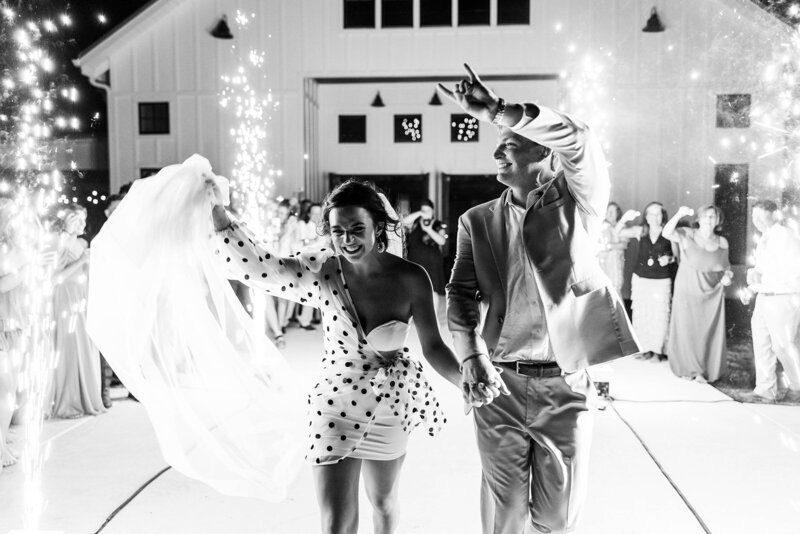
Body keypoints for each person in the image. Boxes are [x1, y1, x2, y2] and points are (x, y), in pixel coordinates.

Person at [438, 64, 639, 534]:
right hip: (498, 383)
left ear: (545, 153)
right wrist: (471, 358)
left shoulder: (580, 202)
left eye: (507, 143)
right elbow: (460, 294)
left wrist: (499, 111)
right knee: (503, 515)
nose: (496, 150)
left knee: (557, 518)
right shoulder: (477, 221)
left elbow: (582, 139)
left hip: (565, 385)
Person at [208, 178, 463, 534]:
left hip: (389, 405)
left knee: (384, 504)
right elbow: (259, 268)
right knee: (337, 525)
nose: (348, 240)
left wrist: (467, 381)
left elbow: (434, 345)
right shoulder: (323, 273)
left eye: (357, 229)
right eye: (338, 231)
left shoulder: (411, 277)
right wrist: (218, 212)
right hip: (334, 405)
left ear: (379, 225)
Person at [663, 205, 732, 383]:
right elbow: (666, 233)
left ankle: (705, 369)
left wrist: (728, 277)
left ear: (718, 220)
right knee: (687, 329)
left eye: (713, 216)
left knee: (706, 331)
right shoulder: (687, 234)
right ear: (698, 219)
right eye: (706, 216)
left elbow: (727, 268)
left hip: (711, 294)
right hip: (687, 289)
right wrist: (678, 214)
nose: (709, 220)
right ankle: (690, 369)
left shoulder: (722, 242)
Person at [48, 205, 105, 418]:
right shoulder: (57, 242)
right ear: (67, 220)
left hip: (82, 297)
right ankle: (70, 401)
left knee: (85, 346)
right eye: (79, 220)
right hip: (66, 301)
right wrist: (82, 261)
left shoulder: (79, 242)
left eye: (84, 219)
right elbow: (54, 279)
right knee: (71, 348)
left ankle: (86, 398)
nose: (83, 224)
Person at [745, 200, 800, 401]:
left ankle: (797, 386)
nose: (757, 221)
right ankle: (765, 390)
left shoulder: (786, 236)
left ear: (773, 215)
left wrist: (764, 278)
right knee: (762, 343)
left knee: (783, 345)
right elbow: (765, 266)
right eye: (754, 217)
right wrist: (754, 275)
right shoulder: (765, 238)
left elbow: (794, 270)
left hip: (783, 297)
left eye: (761, 216)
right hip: (764, 296)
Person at [620, 201, 677, 362]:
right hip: (640, 279)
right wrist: (624, 219)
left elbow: (677, 256)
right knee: (641, 313)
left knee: (659, 314)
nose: (654, 217)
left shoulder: (669, 232)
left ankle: (658, 351)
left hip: (661, 279)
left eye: (658, 213)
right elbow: (618, 233)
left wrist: (670, 258)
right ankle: (644, 349)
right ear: (646, 216)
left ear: (663, 216)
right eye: (651, 213)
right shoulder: (641, 230)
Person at [0, 199, 27, 468]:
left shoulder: (16, 250)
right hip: (6, 325)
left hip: (13, 322)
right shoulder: (10, 251)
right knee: (5, 392)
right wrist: (22, 273)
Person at [403, 199, 447, 296]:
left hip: (432, 264)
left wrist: (429, 230)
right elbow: (403, 222)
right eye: (423, 211)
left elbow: (442, 241)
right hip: (416, 263)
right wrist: (419, 213)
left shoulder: (437, 224)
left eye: (428, 210)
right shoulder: (414, 223)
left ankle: (433, 311)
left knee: (433, 291)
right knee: (414, 291)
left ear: (433, 211)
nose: (425, 213)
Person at [596, 202, 638, 295]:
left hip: (615, 261)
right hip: (602, 261)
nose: (609, 214)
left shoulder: (621, 227)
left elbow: (624, 244)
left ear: (617, 213)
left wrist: (608, 246)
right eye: (608, 211)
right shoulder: (600, 226)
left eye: (612, 211)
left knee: (614, 288)